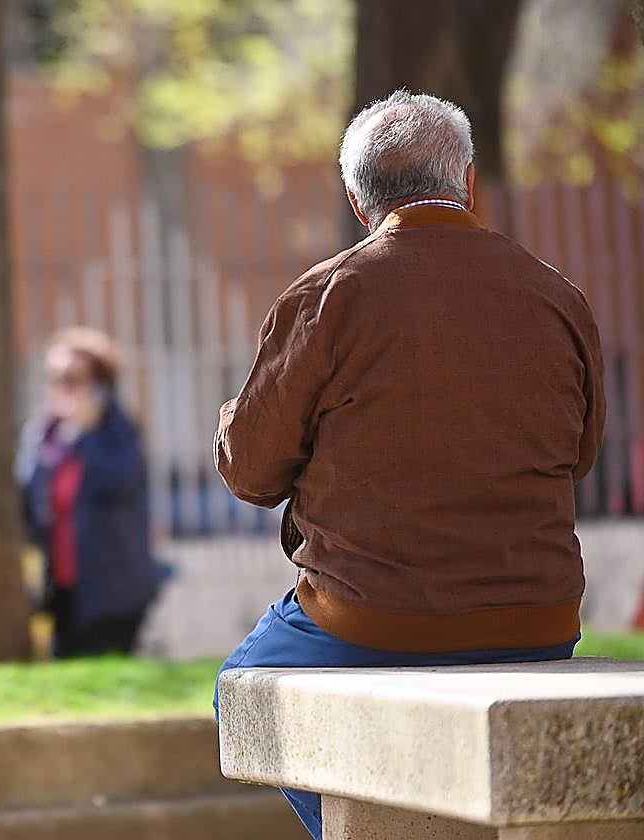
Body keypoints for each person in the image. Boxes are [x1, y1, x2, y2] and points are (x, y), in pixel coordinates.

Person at [212, 90, 605, 840]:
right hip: (541, 615)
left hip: (374, 618)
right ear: (470, 182)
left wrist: (234, 419)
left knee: (240, 687)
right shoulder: (558, 295)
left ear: (359, 202)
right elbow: (580, 455)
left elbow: (251, 475)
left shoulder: (330, 294)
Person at [18, 327, 158, 658]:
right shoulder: (44, 433)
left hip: (114, 591)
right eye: (53, 378)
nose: (59, 388)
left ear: (98, 386)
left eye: (71, 379)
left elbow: (120, 482)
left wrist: (84, 435)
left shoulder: (117, 432)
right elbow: (27, 495)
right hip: (63, 589)